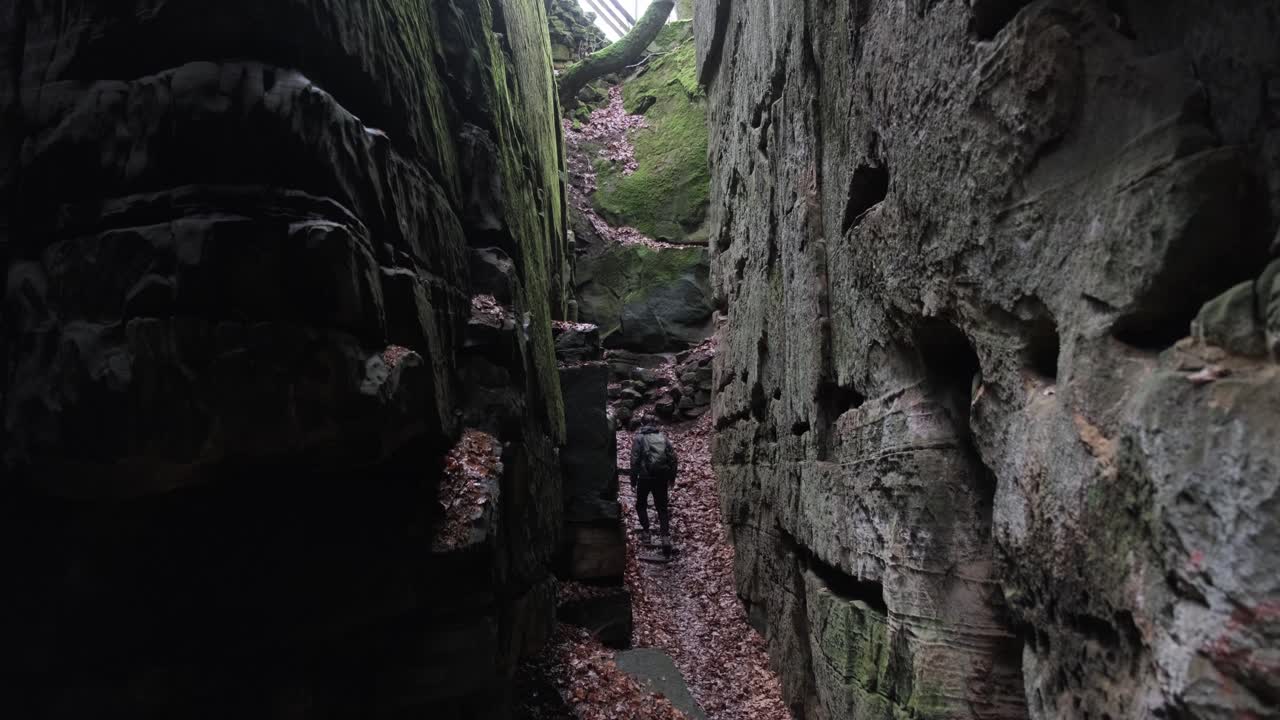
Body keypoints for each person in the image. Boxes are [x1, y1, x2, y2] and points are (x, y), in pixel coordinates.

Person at [630, 416, 678, 547]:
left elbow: (634, 461)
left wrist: (633, 481)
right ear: (655, 424)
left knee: (641, 505)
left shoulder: (639, 438)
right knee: (662, 508)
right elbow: (673, 459)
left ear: (642, 424)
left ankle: (646, 532)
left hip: (645, 478)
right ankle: (665, 537)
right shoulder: (663, 438)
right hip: (661, 477)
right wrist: (671, 478)